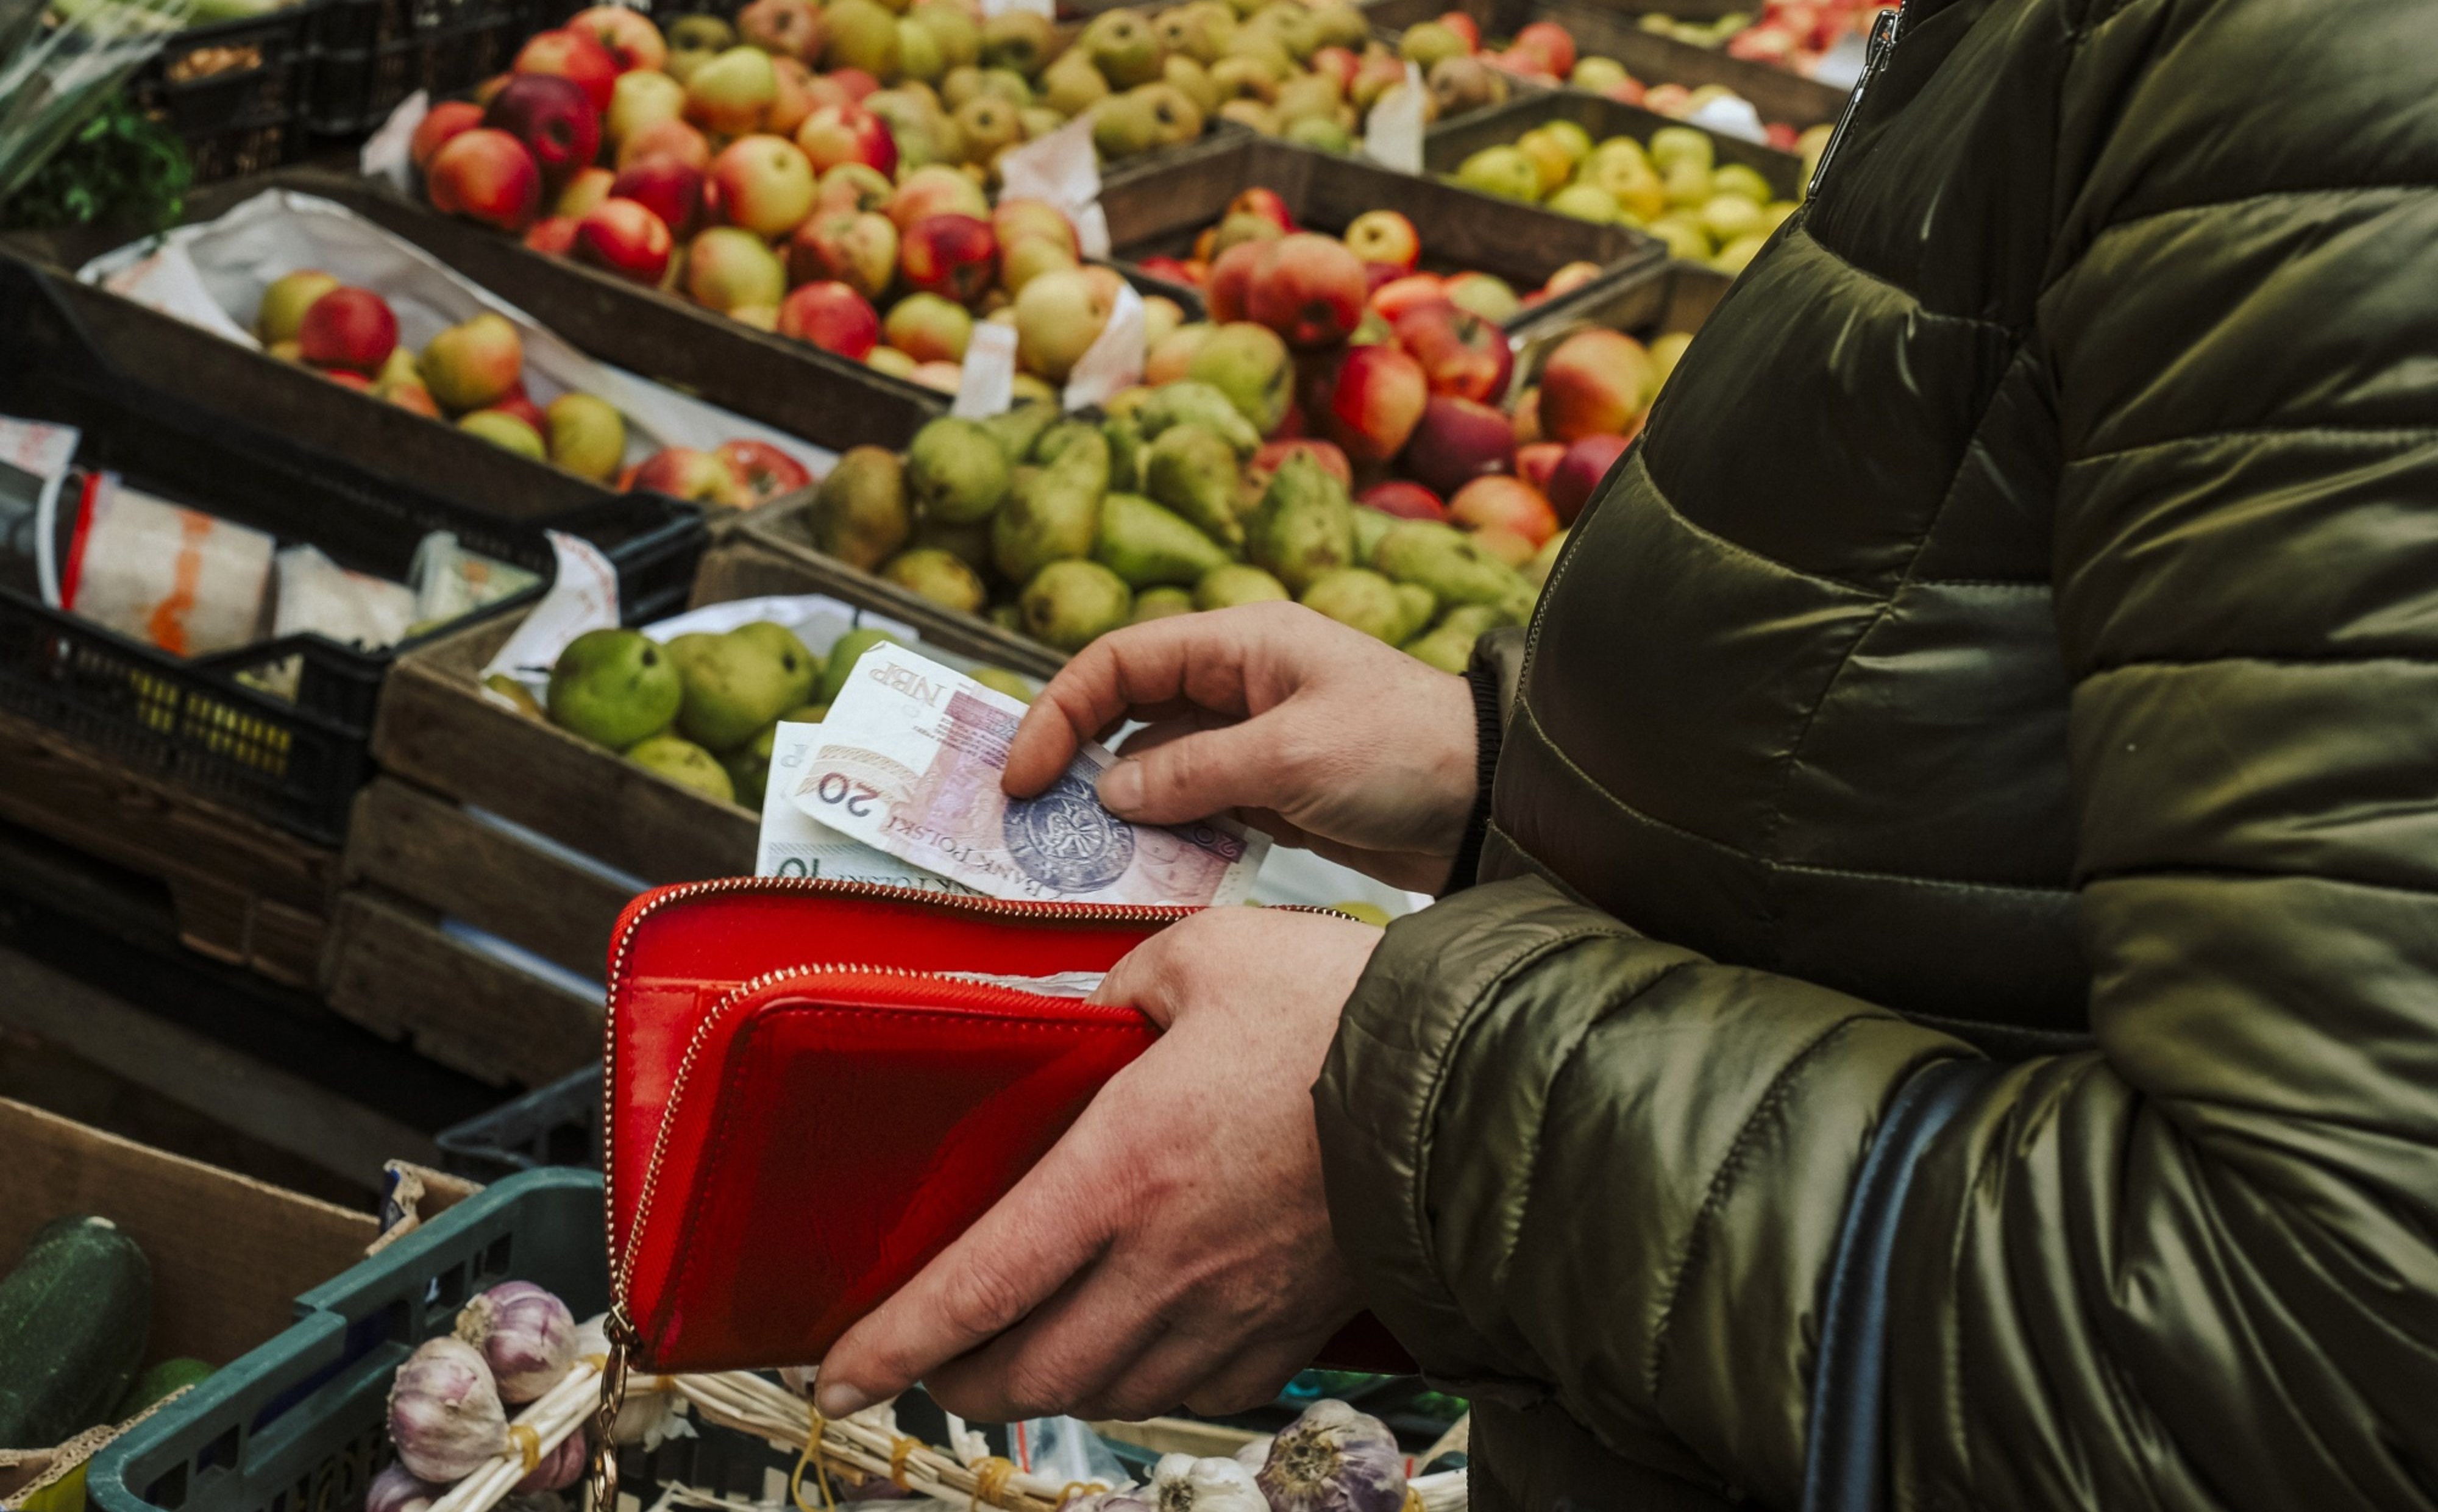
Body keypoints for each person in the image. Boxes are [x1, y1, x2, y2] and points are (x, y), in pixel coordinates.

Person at [811, 0, 2438, 1505]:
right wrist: (1521, 776)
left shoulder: (2333, 79)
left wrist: (1409, 1108)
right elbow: (2016, 761)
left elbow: (2321, 1337)